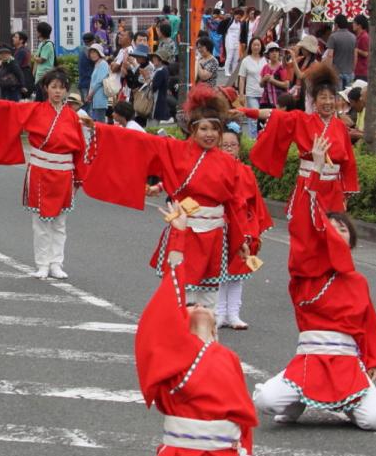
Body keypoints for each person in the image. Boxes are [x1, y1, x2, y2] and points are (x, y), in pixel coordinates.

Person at [97, 204, 313, 456]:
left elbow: (243, 423)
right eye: (190, 305)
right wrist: (181, 234)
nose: (198, 306)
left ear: (215, 327)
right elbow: (172, 287)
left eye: (205, 307)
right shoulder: (172, 356)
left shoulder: (226, 358)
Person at [253, 135, 376, 431]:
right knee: (264, 401)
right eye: (332, 228)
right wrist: (314, 171)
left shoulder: (357, 280)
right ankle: (297, 401)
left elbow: (370, 323)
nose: (337, 231)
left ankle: (346, 404)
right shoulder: (306, 272)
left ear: (351, 240)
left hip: (347, 365)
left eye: (344, 229)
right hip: (309, 360)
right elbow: (307, 221)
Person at [82, 86, 254, 301]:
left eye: (214, 129)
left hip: (215, 235)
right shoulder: (175, 150)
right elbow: (137, 141)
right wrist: (100, 128)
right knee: (184, 296)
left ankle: (205, 334)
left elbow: (235, 203)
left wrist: (241, 240)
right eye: (203, 129)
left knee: (209, 299)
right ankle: (181, 334)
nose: (209, 135)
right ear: (192, 130)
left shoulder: (229, 163)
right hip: (186, 231)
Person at [0, 68, 87, 279]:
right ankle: (42, 263)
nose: (57, 92)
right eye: (53, 87)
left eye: (61, 88)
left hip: (64, 173)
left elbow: (80, 149)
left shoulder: (72, 117)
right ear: (45, 88)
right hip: (41, 171)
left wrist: (78, 179)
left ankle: (56, 263)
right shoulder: (35, 109)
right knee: (41, 222)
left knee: (60, 222)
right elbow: (9, 108)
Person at [239, 62, 358, 214]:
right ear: (314, 101)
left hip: (333, 189)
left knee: (331, 234)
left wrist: (346, 193)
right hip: (308, 184)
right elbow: (275, 115)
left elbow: (349, 163)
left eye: (331, 98)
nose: (328, 102)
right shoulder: (302, 120)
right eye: (323, 97)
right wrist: (246, 111)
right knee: (305, 232)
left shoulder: (341, 127)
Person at [216, 125, 271, 329]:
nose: (229, 149)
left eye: (233, 145)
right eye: (225, 145)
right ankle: (219, 312)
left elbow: (255, 203)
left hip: (243, 226)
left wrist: (255, 230)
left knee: (238, 273)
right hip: (220, 224)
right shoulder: (213, 168)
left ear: (239, 147)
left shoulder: (246, 171)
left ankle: (234, 313)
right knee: (220, 273)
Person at [324, 14, 357, 90]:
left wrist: (329, 71)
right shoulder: (353, 37)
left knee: (338, 96)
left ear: (336, 25)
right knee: (348, 96)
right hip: (349, 72)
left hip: (336, 72)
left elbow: (330, 55)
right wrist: (352, 69)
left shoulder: (333, 37)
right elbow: (355, 55)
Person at [259, 43, 290, 119]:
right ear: (268, 54)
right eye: (272, 51)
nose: (274, 53)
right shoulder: (265, 67)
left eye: (276, 51)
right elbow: (261, 84)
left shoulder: (282, 67)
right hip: (267, 101)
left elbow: (286, 85)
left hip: (280, 101)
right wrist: (264, 79)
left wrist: (272, 81)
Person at [30, 22, 57, 101]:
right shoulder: (41, 44)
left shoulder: (48, 44)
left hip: (45, 75)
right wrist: (33, 74)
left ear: (41, 32)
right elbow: (37, 60)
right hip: (39, 76)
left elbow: (41, 60)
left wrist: (34, 57)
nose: (37, 32)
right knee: (38, 99)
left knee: (42, 99)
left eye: (38, 31)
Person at [85, 43, 110, 121]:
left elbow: (99, 82)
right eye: (91, 53)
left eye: (94, 52)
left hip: (100, 97)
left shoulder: (103, 64)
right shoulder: (97, 64)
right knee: (97, 123)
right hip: (96, 98)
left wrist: (90, 94)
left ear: (99, 53)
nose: (92, 55)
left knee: (100, 123)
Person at [77, 32, 97, 102]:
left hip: (83, 82)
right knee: (88, 107)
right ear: (93, 41)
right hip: (87, 83)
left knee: (86, 106)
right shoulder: (89, 52)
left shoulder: (82, 49)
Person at [353, 15, 370, 84]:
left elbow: (366, 53)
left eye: (354, 23)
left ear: (359, 25)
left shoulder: (364, 37)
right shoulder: (359, 36)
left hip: (362, 71)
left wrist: (356, 50)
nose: (352, 25)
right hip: (358, 70)